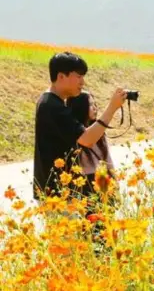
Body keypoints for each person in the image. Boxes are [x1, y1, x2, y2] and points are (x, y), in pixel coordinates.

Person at [33, 52, 126, 200]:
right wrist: (112, 108)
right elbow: (87, 139)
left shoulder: (51, 102)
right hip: (57, 195)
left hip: (58, 191)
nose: (82, 82)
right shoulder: (52, 106)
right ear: (61, 76)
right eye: (79, 76)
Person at [67, 91, 116, 200]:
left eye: (95, 104)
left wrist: (115, 179)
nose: (95, 108)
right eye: (90, 104)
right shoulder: (74, 133)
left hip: (104, 178)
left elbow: (107, 158)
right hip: (85, 184)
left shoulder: (98, 130)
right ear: (79, 107)